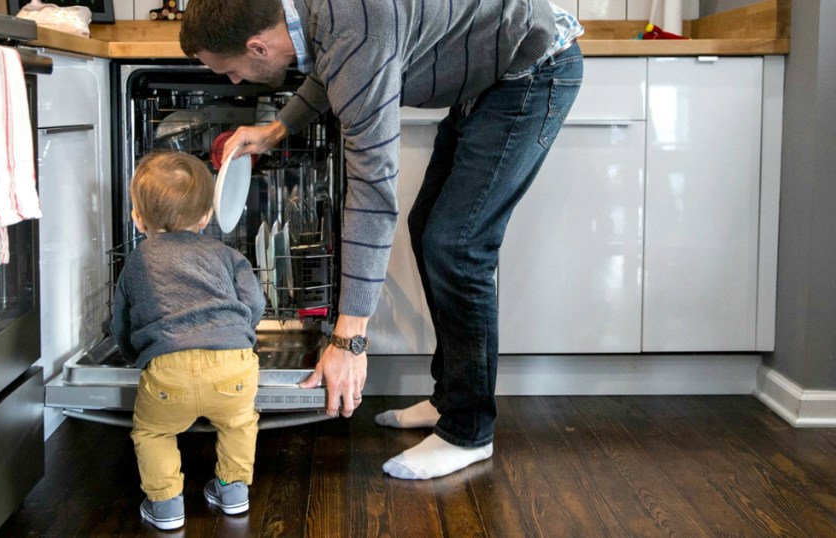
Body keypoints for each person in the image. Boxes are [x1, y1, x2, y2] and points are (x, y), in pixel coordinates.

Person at [180, 0, 583, 480]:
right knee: (431, 231)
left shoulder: (355, 28)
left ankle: (469, 431)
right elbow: (337, 70)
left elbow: (372, 190)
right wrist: (276, 129)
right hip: (487, 77)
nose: (234, 82)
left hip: (533, 67)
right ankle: (452, 399)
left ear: (258, 46)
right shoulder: (319, 18)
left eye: (231, 71)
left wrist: (349, 339)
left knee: (457, 247)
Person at [111, 152, 266, 530]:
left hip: (168, 369)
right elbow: (255, 303)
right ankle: (232, 493)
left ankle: (165, 505)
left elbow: (122, 321)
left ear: (137, 217)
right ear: (206, 217)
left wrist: (137, 356)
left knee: (153, 432)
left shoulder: (137, 260)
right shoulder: (227, 254)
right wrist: (242, 335)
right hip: (233, 365)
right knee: (239, 424)